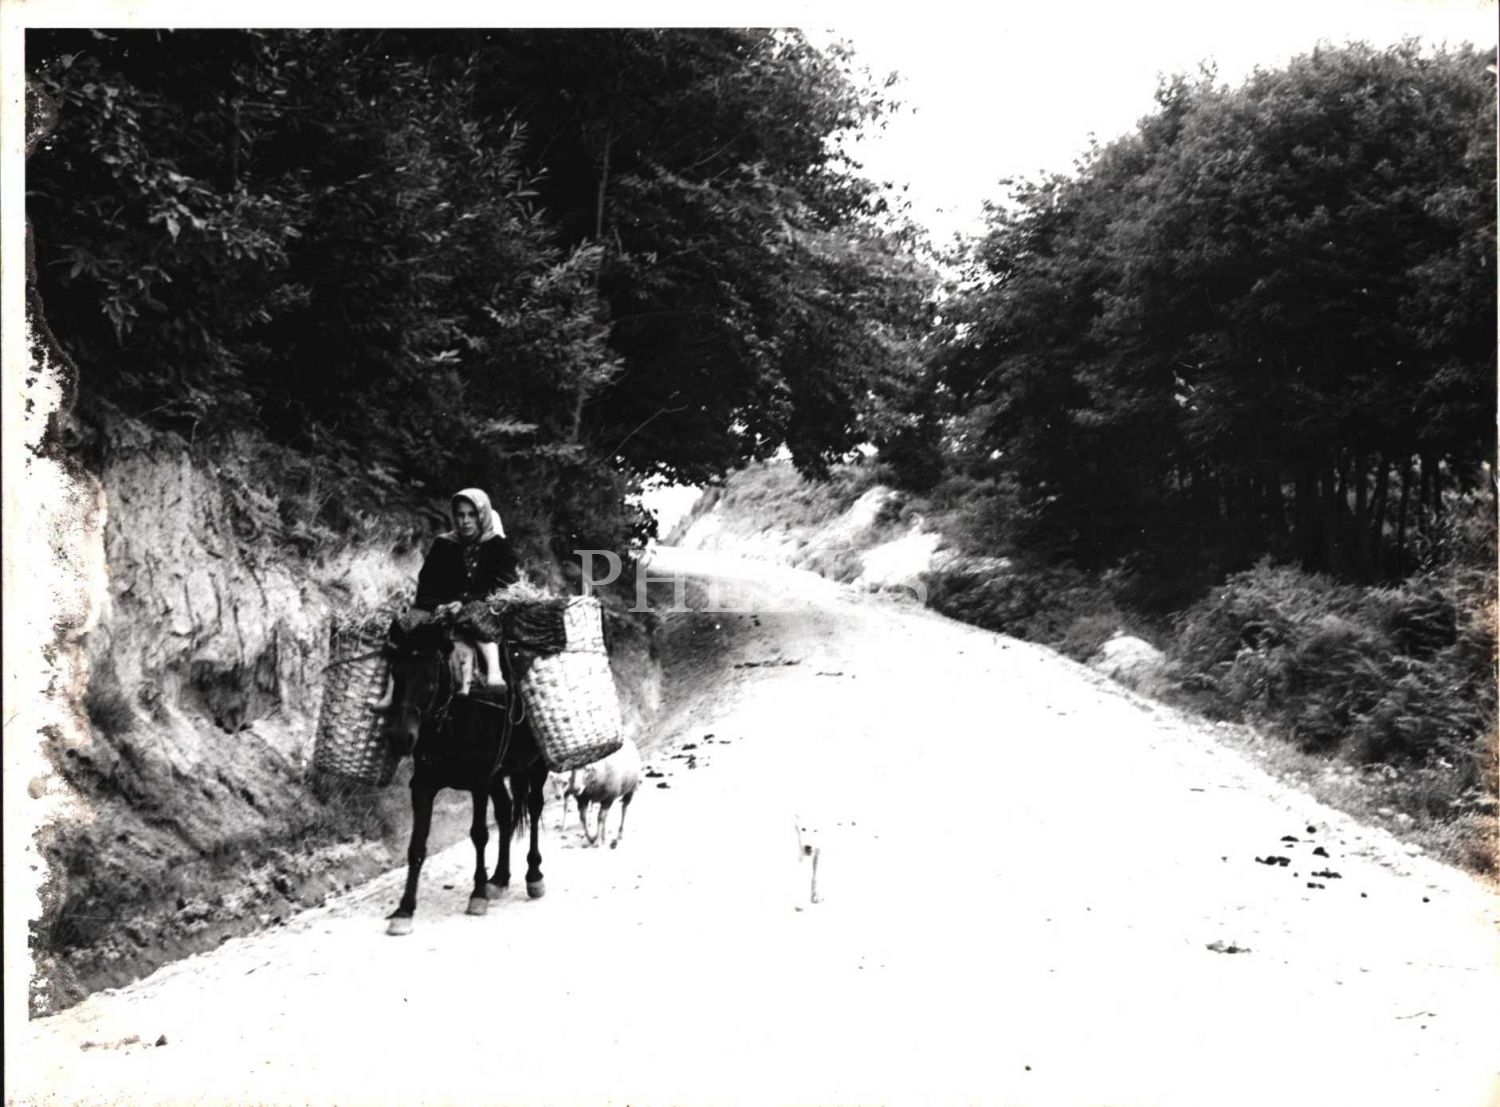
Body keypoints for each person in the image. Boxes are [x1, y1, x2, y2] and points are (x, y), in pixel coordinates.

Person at [413, 488, 520, 693]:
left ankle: (494, 671)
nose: (466, 521)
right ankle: (393, 691)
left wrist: (464, 601)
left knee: (475, 610)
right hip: (444, 610)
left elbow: (504, 588)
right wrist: (438, 605)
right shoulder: (444, 544)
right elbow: (425, 583)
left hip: (484, 608)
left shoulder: (498, 546)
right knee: (407, 623)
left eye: (472, 515)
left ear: (483, 516)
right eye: (460, 515)